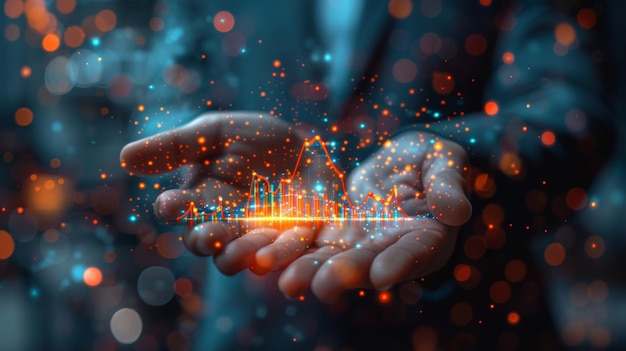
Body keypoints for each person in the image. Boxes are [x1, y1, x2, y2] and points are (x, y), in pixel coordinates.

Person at [119, 0, 614, 350]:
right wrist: (193, 155)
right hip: (255, 324)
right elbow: (168, 92)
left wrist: (459, 156)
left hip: (467, 323)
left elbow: (569, 112)